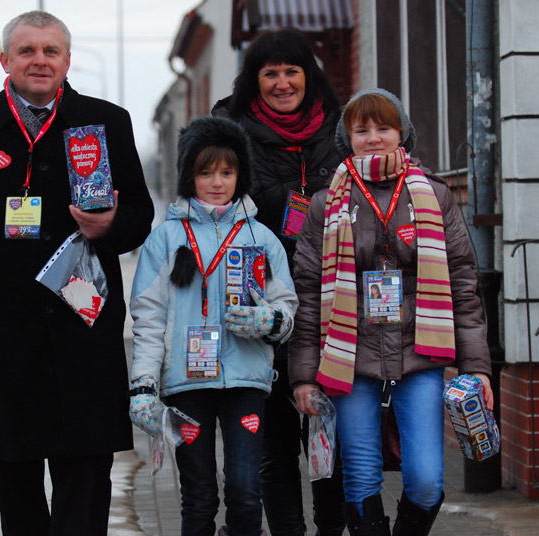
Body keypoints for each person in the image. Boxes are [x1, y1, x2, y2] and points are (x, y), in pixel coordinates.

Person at [0, 10, 154, 535]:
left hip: (83, 328)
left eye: (51, 51)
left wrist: (109, 226)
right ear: (5, 60)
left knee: (86, 475)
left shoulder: (106, 122)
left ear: (67, 61)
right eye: (27, 51)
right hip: (6, 329)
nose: (39, 61)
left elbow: (140, 215)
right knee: (14, 476)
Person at [288, 88, 494, 535]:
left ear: (402, 132)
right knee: (360, 476)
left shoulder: (434, 195)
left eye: (383, 127)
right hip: (349, 355)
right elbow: (307, 291)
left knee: (425, 478)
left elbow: (462, 281)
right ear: (348, 137)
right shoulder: (327, 203)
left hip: (420, 351)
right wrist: (303, 375)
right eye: (362, 130)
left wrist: (476, 367)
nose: (374, 138)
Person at [127, 116, 298, 536]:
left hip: (247, 381)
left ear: (241, 174)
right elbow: (149, 318)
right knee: (198, 495)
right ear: (189, 176)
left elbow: (287, 310)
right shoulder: (165, 239)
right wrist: (144, 385)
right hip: (186, 385)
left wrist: (270, 320)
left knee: (245, 488)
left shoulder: (262, 239)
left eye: (227, 171)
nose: (217, 182)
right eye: (205, 172)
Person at [212, 28, 346, 536]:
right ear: (255, 79)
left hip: (334, 304)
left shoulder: (341, 127)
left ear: (308, 76)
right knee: (274, 441)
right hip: (260, 303)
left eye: (292, 71)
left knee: (329, 432)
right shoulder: (228, 131)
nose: (283, 83)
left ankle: (330, 529)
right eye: (270, 73)